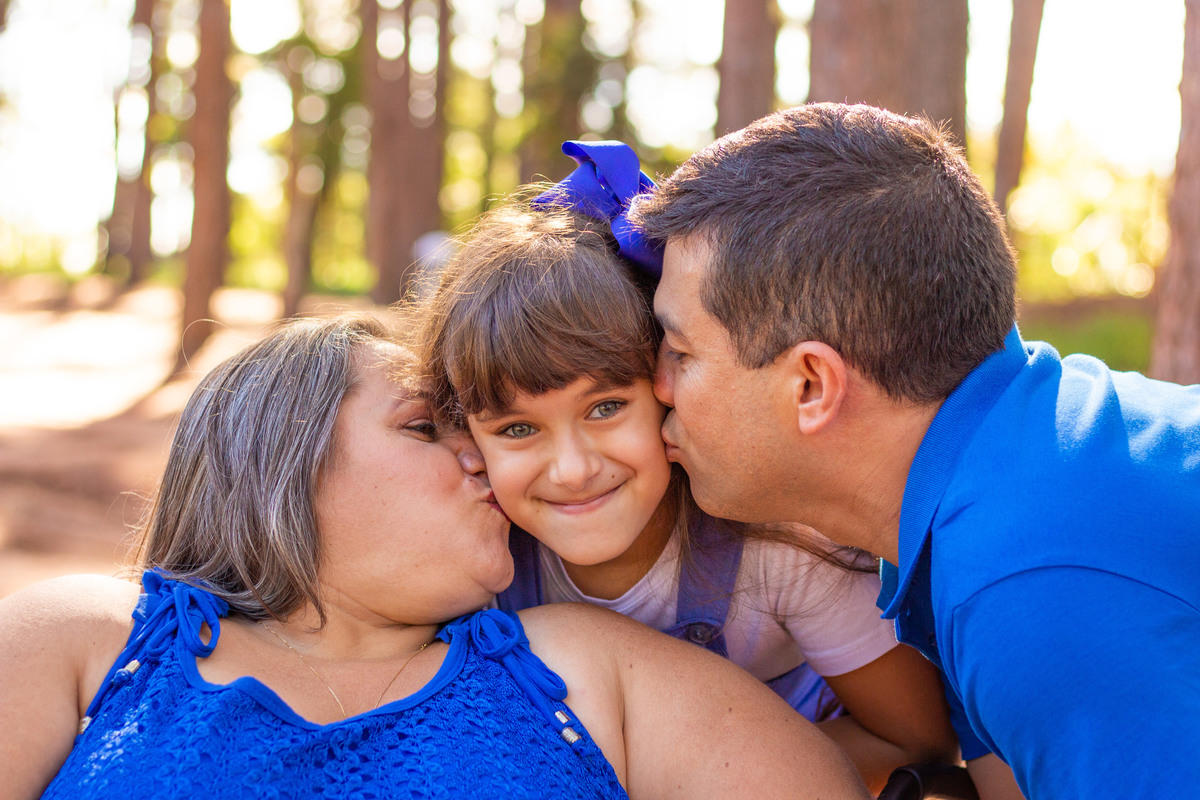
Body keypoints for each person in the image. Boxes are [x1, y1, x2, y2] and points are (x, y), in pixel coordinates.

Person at [0, 313, 871, 800]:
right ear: (279, 458)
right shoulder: (92, 640)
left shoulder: (586, 668)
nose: (482, 459)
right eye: (425, 426)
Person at [628, 102, 1200, 799]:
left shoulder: (1028, 588)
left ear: (811, 384)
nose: (655, 386)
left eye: (681, 353)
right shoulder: (988, 495)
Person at [404, 142, 958, 793]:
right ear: (466, 436)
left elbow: (915, 739)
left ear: (668, 384)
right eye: (518, 429)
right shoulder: (484, 562)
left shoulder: (777, 548)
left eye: (606, 407)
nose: (575, 468)